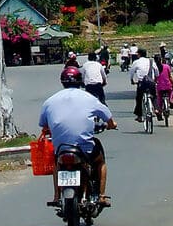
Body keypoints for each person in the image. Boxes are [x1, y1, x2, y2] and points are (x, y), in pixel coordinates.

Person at [39, 65, 117, 207]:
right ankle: (101, 195)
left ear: (62, 82)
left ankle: (57, 196)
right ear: (80, 81)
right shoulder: (90, 98)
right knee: (100, 161)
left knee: (57, 163)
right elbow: (108, 118)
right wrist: (111, 125)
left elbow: (44, 126)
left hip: (61, 149)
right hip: (84, 149)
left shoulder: (49, 101)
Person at [130, 46, 159, 121]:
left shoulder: (136, 62)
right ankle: (156, 109)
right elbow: (156, 72)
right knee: (154, 96)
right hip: (151, 82)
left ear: (139, 54)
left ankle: (139, 116)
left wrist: (132, 80)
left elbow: (131, 72)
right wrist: (155, 79)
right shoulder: (151, 61)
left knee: (139, 98)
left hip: (141, 83)